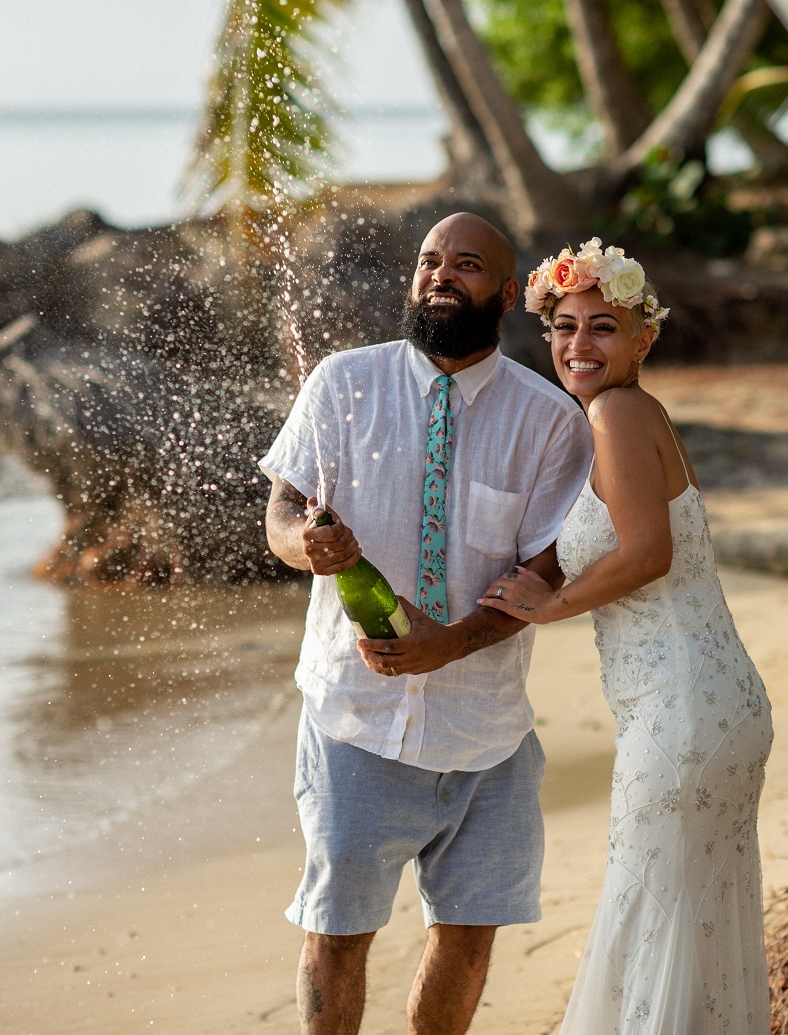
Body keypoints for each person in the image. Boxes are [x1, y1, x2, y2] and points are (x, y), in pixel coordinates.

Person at [259, 212, 594, 1035]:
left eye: (468, 264)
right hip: (354, 719)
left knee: (468, 935)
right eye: (430, 261)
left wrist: (451, 641)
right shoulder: (341, 383)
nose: (441, 275)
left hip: (489, 731)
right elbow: (280, 511)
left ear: (509, 294)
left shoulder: (551, 420)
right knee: (336, 933)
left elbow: (548, 565)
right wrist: (307, 544)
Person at [480, 239, 774, 1034]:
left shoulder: (617, 411)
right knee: (685, 911)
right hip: (700, 702)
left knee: (652, 904)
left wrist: (553, 603)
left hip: (684, 708)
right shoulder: (624, 418)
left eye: (602, 327)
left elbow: (648, 551)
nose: (579, 345)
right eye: (565, 326)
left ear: (645, 337)